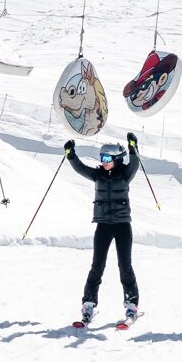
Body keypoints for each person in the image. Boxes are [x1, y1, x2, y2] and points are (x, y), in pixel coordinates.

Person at [63, 132, 141, 323]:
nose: (103, 161)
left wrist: (132, 147)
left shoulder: (125, 174)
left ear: (115, 158)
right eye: (101, 157)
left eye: (106, 158)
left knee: (125, 266)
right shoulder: (97, 174)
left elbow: (134, 163)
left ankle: (131, 304)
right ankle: (88, 304)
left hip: (122, 225)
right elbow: (80, 168)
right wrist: (71, 154)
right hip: (103, 226)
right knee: (97, 266)